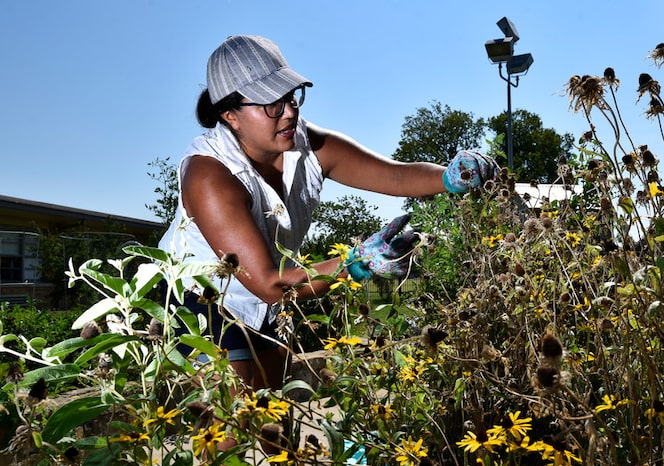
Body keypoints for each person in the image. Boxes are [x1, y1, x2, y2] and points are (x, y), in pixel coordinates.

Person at [158, 34, 497, 395]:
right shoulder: (210, 176)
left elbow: (395, 175)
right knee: (233, 421)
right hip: (202, 297)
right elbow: (271, 286)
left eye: (290, 96)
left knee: (274, 414)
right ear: (230, 115)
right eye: (271, 103)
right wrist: (353, 264)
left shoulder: (305, 143)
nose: (289, 111)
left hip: (269, 292)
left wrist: (449, 177)